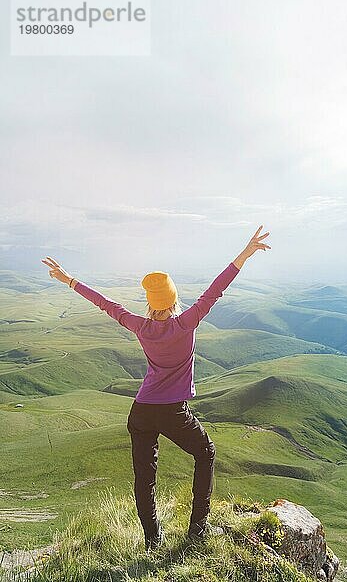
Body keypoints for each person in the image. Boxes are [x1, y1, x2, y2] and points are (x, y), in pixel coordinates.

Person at [41, 225, 271, 550]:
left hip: (141, 412)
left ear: (150, 302)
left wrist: (69, 280)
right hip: (173, 411)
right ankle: (198, 531)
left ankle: (153, 542)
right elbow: (215, 290)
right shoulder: (186, 322)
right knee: (206, 453)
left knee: (145, 479)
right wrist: (245, 254)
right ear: (174, 299)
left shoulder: (140, 326)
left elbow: (106, 304)